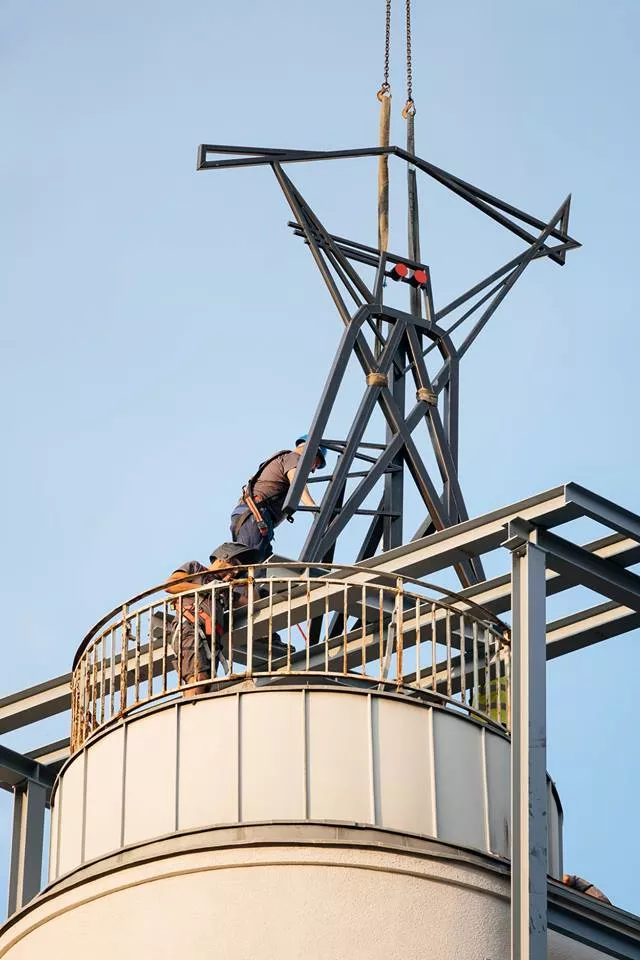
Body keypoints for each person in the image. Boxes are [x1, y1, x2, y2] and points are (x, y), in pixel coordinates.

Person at [166, 542, 258, 698]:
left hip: (212, 642)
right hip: (190, 628)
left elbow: (252, 602)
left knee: (206, 684)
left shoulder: (224, 589)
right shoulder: (197, 569)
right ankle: (190, 709)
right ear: (223, 558)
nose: (235, 571)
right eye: (234, 564)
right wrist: (204, 588)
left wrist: (248, 579)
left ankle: (194, 708)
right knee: (197, 677)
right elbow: (171, 585)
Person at [230, 435, 328, 561]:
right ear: (311, 450)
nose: (313, 470)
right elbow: (297, 483)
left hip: (253, 517)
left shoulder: (283, 460)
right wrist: (314, 509)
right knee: (249, 562)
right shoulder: (293, 457)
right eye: (316, 463)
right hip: (255, 517)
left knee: (262, 566)